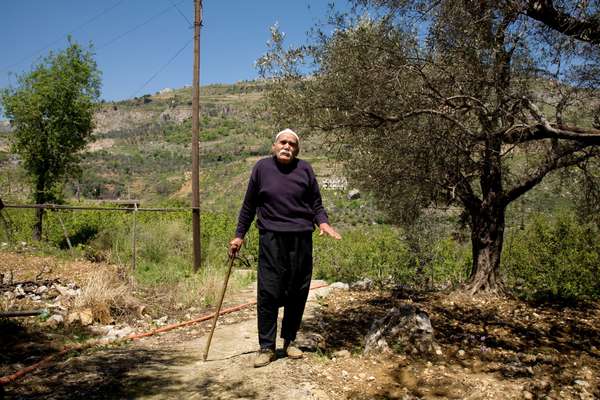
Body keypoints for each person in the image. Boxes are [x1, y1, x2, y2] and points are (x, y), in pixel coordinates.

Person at [229, 128, 341, 368]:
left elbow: (316, 204)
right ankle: (266, 347)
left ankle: (289, 341)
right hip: (271, 238)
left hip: (301, 238)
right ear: (274, 146)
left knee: (297, 290)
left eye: (292, 144)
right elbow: (248, 206)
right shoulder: (261, 168)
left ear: (297, 149)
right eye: (283, 142)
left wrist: (323, 222)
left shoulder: (305, 169)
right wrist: (239, 236)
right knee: (268, 291)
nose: (287, 146)